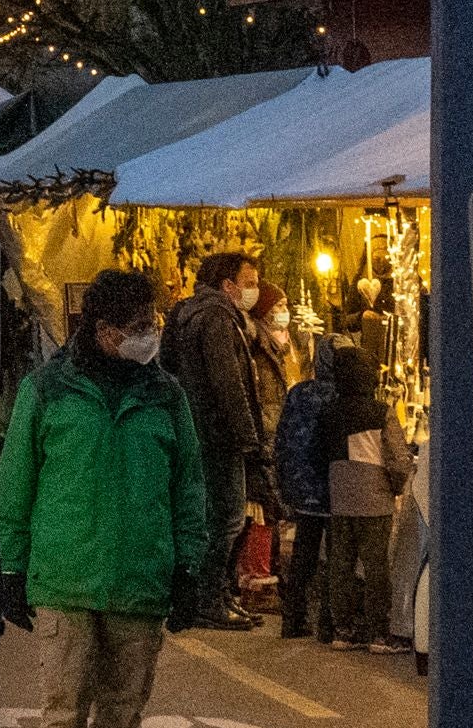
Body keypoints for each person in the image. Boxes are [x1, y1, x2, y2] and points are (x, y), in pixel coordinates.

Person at [0, 267, 207, 728]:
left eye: (151, 324)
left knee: (119, 721)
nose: (150, 336)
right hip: (65, 579)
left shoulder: (166, 396)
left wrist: (190, 565)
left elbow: (189, 485)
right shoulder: (47, 390)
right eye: (139, 327)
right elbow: (15, 484)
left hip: (140, 582)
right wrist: (10, 565)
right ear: (105, 331)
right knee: (62, 717)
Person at [163, 252, 290, 633]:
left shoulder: (190, 313)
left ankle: (216, 595)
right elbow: (228, 383)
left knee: (215, 517)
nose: (253, 289)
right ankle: (209, 598)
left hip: (200, 432)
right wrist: (249, 438)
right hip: (218, 436)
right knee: (227, 519)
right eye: (249, 281)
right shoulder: (217, 318)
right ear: (227, 285)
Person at [276, 334, 406, 645]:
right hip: (354, 494)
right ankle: (356, 628)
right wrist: (397, 486)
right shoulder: (367, 407)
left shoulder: (303, 395)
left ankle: (315, 624)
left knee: (318, 556)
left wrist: (287, 482)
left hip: (319, 488)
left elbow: (288, 441)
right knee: (361, 562)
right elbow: (395, 457)